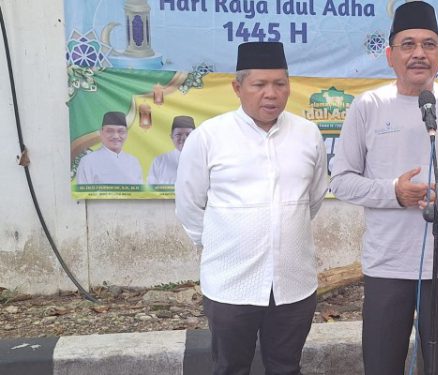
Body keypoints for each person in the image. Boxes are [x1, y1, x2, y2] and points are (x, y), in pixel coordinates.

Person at [329, 2, 438, 374]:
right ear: (390, 55)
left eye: (429, 44)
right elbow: (341, 180)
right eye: (408, 45)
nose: (419, 53)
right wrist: (394, 192)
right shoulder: (368, 106)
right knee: (382, 364)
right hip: (388, 263)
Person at [174, 42, 329, 375]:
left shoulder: (307, 134)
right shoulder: (209, 137)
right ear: (237, 87)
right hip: (231, 284)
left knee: (286, 367)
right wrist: (219, 244)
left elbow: (312, 199)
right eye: (259, 85)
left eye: (279, 83)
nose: (271, 94)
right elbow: (189, 203)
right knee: (230, 367)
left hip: (293, 283)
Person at [76, 111, 143, 185]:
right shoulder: (87, 162)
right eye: (110, 131)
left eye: (121, 131)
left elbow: (139, 194)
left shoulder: (133, 162)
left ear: (126, 134)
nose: (116, 136)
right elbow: (82, 195)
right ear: (101, 132)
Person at [147, 115, 195, 185]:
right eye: (178, 134)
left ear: (196, 136)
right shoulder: (160, 161)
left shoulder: (204, 160)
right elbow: (150, 190)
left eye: (188, 134)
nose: (184, 138)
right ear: (171, 136)